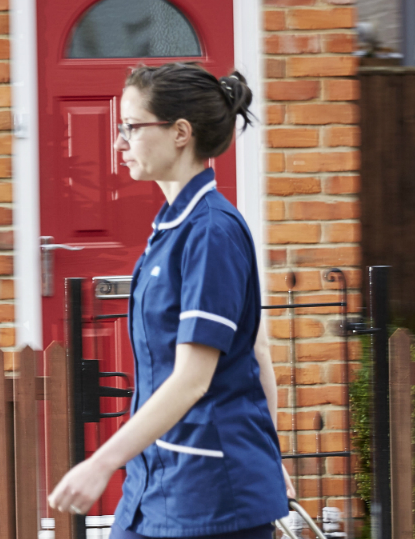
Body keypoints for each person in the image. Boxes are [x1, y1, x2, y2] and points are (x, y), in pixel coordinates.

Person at [47, 63, 293, 539]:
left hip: (209, 497)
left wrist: (100, 464)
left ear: (181, 133)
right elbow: (257, 352)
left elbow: (192, 380)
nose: (119, 142)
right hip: (158, 486)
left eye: (132, 127)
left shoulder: (211, 233)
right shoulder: (173, 228)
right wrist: (269, 455)